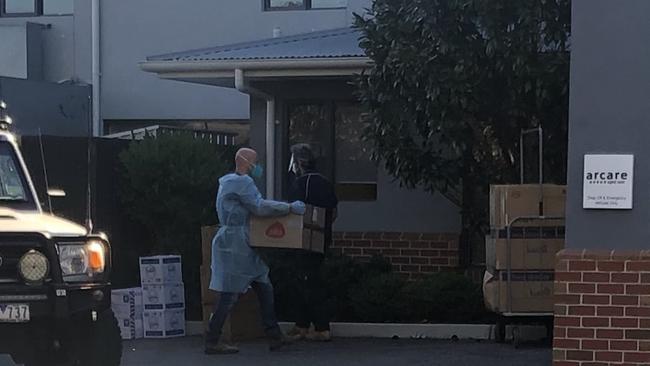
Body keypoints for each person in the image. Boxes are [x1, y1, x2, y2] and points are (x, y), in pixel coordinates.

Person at [205, 147, 305, 355]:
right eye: (255, 162)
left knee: (264, 286)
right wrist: (288, 208)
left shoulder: (228, 182)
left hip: (238, 242)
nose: (257, 166)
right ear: (245, 162)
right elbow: (259, 207)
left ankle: (274, 335)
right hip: (236, 244)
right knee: (230, 294)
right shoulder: (243, 182)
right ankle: (213, 340)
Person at [285, 143, 338, 342]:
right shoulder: (325, 182)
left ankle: (319, 327)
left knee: (306, 282)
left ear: (299, 162)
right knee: (312, 279)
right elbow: (334, 213)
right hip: (322, 238)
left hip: (304, 239)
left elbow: (294, 210)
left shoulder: (301, 183)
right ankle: (304, 324)